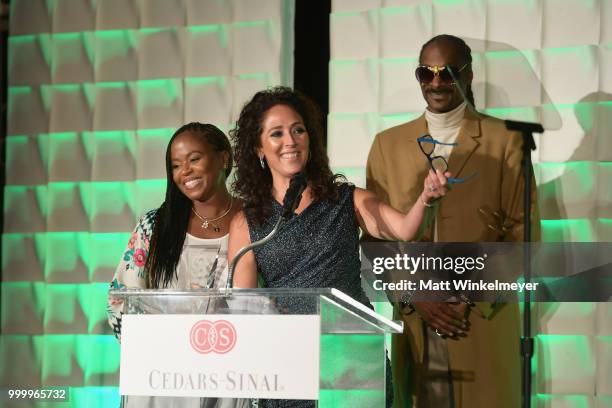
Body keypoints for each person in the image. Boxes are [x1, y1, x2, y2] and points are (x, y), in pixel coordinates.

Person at [228, 86, 451, 408]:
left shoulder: (346, 199)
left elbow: (404, 228)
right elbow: (243, 309)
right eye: (276, 134)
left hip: (352, 357)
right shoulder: (247, 222)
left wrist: (425, 199)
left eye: (298, 130)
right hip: (287, 363)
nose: (290, 141)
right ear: (258, 149)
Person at [366, 34, 539, 407]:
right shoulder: (387, 145)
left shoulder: (507, 140)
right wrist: (414, 294)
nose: (436, 83)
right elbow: (376, 239)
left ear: (469, 74)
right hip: (414, 325)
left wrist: (469, 295)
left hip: (481, 321)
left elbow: (523, 233)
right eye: (425, 74)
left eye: (447, 73)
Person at [107, 122, 248, 408]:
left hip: (231, 378)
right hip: (163, 380)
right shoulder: (154, 226)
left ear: (223, 158)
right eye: (176, 165)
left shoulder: (256, 221)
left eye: (194, 159)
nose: (185, 171)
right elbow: (119, 301)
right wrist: (161, 352)